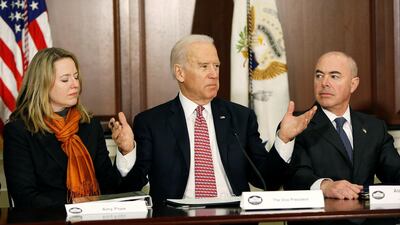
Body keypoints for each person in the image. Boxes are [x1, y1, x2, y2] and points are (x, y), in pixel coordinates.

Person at [111, 34, 316, 205]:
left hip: (233, 218)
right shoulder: (152, 122)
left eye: (216, 66)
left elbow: (266, 180)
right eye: (204, 66)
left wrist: (283, 140)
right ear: (180, 73)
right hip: (177, 220)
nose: (213, 74)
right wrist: (127, 151)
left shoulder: (240, 118)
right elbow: (130, 187)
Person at [3, 47, 140, 208]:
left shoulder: (90, 125)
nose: (75, 84)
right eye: (65, 79)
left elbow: (113, 190)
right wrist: (76, 207)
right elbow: (24, 197)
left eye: (76, 77)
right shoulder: (19, 131)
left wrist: (126, 150)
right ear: (42, 84)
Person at [284, 51, 400, 200]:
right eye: (319, 76)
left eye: (334, 76)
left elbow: (395, 171)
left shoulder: (374, 127)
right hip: (322, 218)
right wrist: (325, 186)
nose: (324, 83)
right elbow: (295, 176)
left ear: (353, 84)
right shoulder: (298, 125)